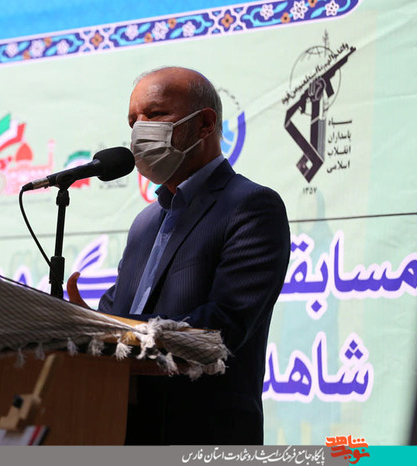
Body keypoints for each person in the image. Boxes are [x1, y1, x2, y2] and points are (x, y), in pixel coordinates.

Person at [68, 66, 290, 445]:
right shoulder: (145, 223)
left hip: (201, 434)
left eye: (154, 115)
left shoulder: (251, 206)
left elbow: (221, 328)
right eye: (133, 121)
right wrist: (79, 322)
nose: (140, 130)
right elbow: (116, 314)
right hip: (119, 426)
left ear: (205, 124)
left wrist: (110, 331)